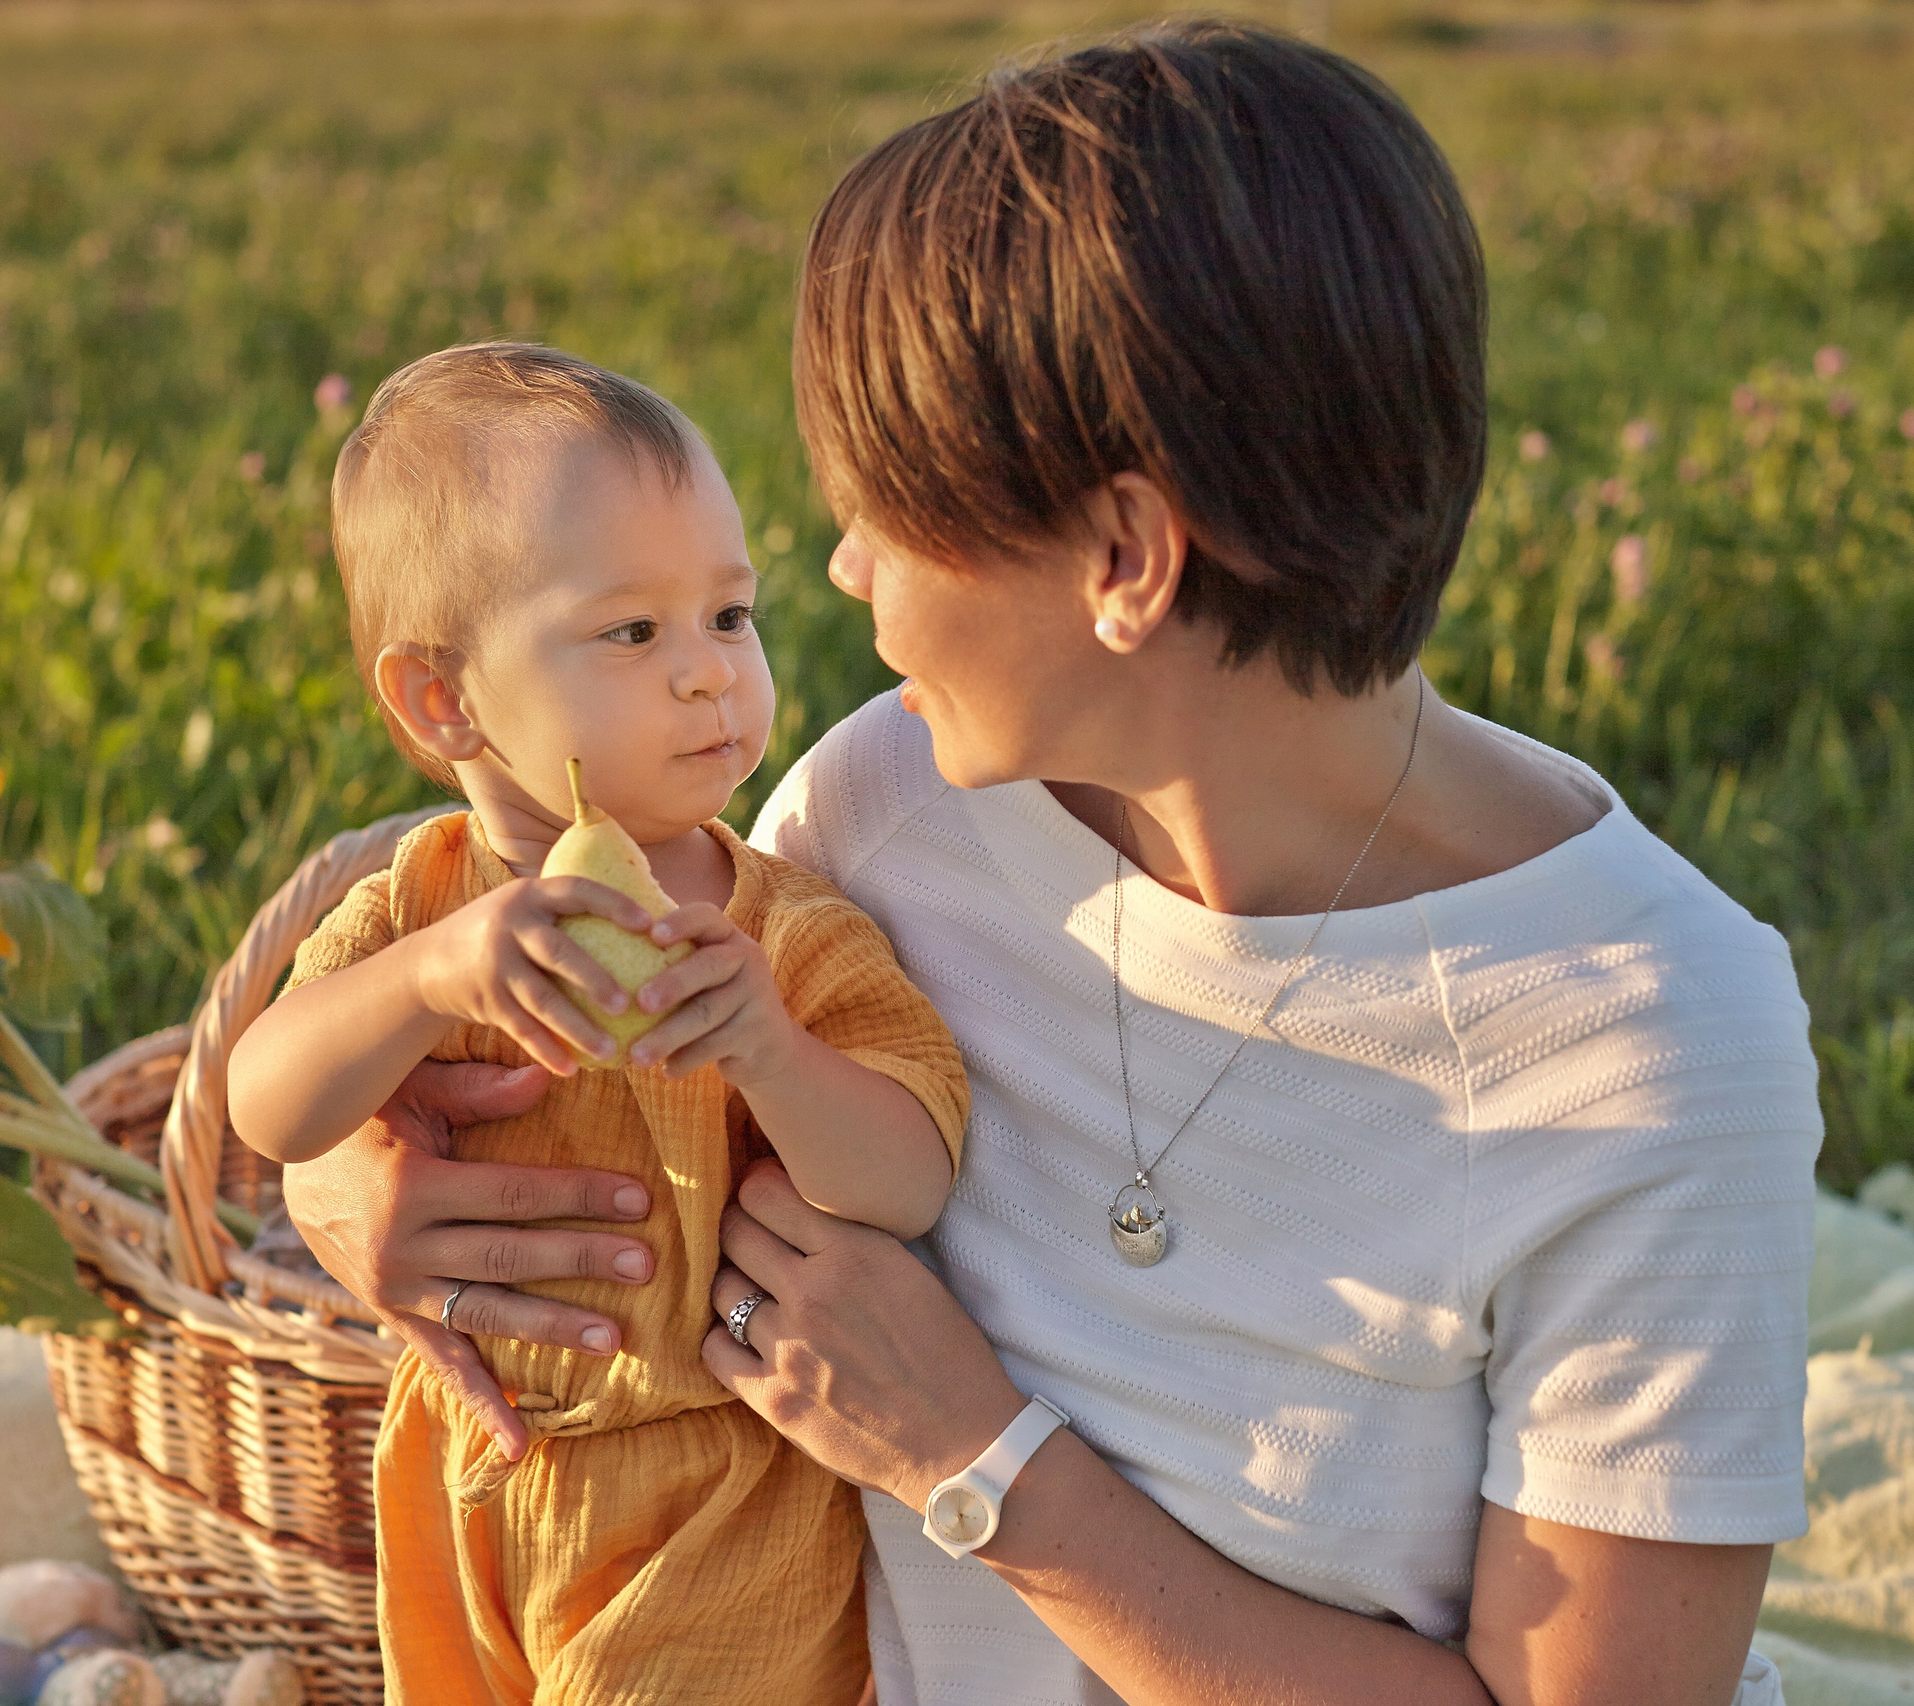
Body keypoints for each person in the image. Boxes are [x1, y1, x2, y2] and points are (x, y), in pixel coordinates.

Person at [281, 24, 1821, 1706]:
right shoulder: (896, 805)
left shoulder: (1647, 1047)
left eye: (885, 511)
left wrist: (980, 1458)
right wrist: (355, 1187)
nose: (843, 572)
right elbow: (591, 1083)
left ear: (1123, 559)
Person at [226, 343, 969, 1705]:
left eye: (729, 618)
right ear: (441, 698)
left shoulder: (779, 931)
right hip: (472, 1461)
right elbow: (268, 1105)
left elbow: (910, 1171)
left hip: (708, 1492)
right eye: (633, 632)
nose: (707, 676)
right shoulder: (421, 912)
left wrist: (773, 1054)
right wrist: (420, 983)